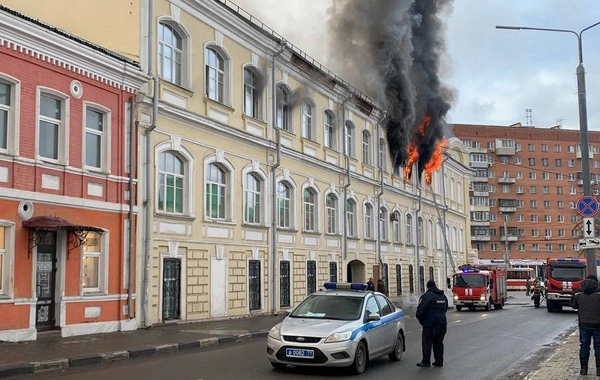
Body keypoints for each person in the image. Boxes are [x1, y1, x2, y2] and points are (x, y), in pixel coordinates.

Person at [570, 274, 600, 376]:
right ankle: (599, 370)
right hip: (598, 324)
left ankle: (584, 369)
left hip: (583, 324)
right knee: (599, 346)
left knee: (584, 346)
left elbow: (573, 306)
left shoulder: (578, 292)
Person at [416, 280, 448, 368]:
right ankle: (439, 361)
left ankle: (426, 361)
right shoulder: (443, 296)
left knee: (427, 342)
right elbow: (445, 309)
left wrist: (422, 321)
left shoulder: (426, 296)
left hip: (430, 323)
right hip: (442, 323)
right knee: (438, 342)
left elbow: (420, 310)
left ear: (428, 287)